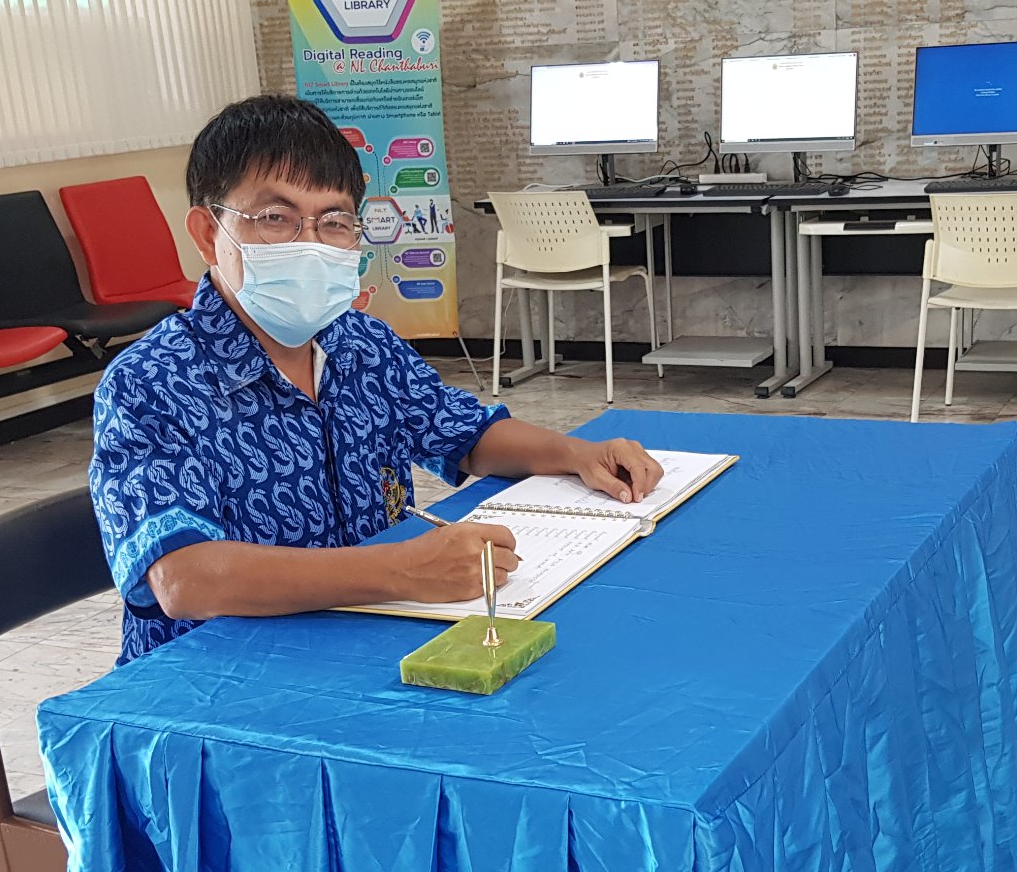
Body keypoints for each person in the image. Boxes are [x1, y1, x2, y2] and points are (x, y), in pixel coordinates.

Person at [90, 95, 661, 662]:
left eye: (334, 222)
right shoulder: (150, 383)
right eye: (276, 218)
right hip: (220, 681)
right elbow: (184, 578)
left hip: (370, 645)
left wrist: (577, 454)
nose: (310, 243)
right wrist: (402, 569)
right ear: (207, 233)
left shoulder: (361, 342)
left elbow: (465, 433)